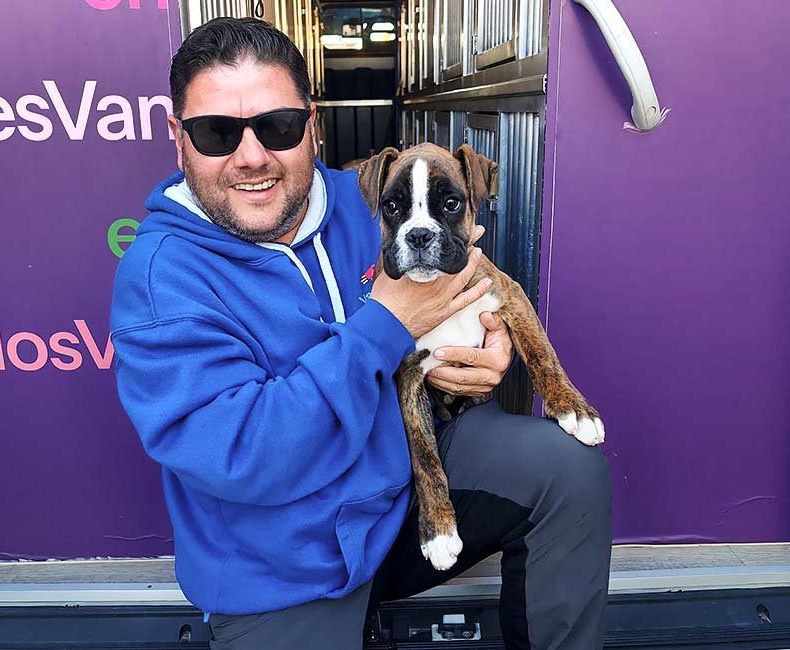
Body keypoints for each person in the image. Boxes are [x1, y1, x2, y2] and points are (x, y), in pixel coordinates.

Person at [110, 17, 611, 650]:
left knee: (568, 468)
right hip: (282, 565)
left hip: (405, 487)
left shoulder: (374, 199)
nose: (252, 156)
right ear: (178, 137)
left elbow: (471, 279)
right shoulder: (160, 280)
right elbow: (242, 453)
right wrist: (386, 325)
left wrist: (490, 347)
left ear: (311, 122)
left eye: (278, 125)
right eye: (217, 132)